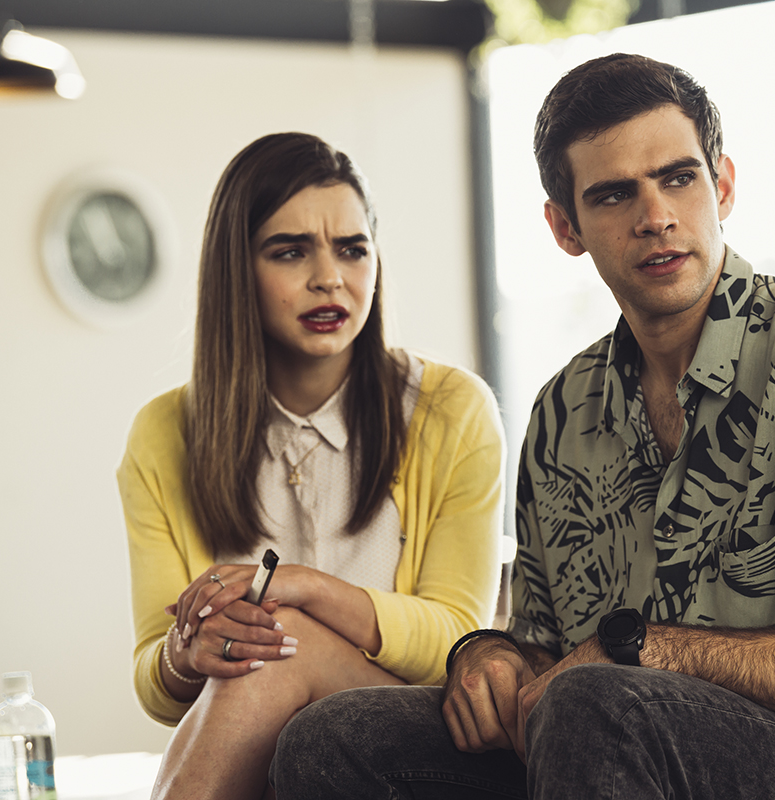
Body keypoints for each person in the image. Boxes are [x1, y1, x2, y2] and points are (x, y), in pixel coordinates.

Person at [271, 54, 775, 800]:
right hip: (614, 744)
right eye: (615, 194)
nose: (656, 217)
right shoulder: (563, 411)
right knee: (336, 737)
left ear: (723, 186)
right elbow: (549, 655)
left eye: (678, 178)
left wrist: (644, 650)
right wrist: (488, 659)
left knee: (595, 704)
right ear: (566, 227)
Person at [117, 132, 505, 800]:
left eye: (353, 249)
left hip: (417, 740)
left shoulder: (451, 408)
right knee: (270, 655)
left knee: (280, 643)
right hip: (261, 743)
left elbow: (457, 638)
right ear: (236, 269)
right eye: (290, 251)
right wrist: (189, 648)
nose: (329, 277)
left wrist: (305, 590)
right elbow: (157, 679)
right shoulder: (162, 433)